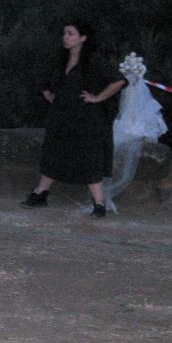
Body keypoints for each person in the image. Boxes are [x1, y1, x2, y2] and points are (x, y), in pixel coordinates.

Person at [21, 21, 126, 217]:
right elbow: (43, 78)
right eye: (65, 33)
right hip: (61, 116)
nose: (66, 37)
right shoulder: (61, 59)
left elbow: (119, 81)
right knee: (54, 153)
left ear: (83, 38)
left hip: (85, 118)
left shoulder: (94, 61)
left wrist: (98, 98)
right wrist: (48, 93)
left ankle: (99, 203)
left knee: (89, 157)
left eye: (70, 33)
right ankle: (40, 193)